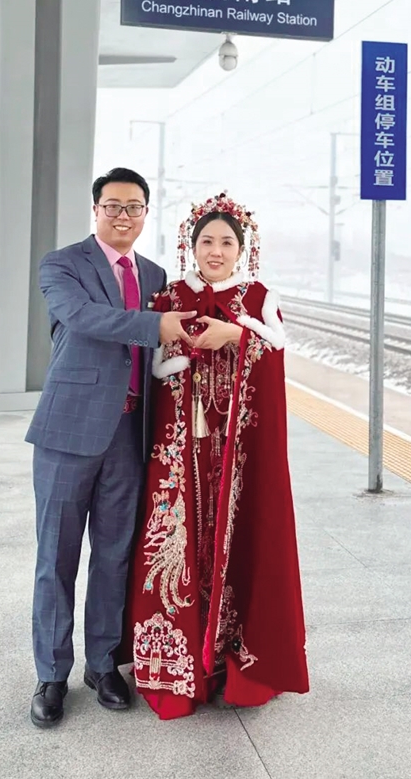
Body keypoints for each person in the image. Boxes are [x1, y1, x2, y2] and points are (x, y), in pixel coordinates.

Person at [127, 192, 309, 719]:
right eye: (206, 240)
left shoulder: (260, 300)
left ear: (242, 249)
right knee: (175, 540)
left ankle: (238, 665)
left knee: (243, 537)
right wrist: (178, 362)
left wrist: (238, 334)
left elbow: (274, 363)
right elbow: (155, 364)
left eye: (227, 242)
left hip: (238, 451)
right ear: (191, 245)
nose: (216, 251)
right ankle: (179, 667)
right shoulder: (170, 296)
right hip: (182, 448)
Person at [24, 167, 195, 728]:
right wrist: (155, 324)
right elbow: (82, 317)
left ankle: (103, 665)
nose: (124, 216)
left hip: (129, 434)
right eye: (114, 206)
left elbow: (164, 348)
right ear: (95, 210)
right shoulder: (62, 265)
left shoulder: (156, 275)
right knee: (57, 557)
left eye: (135, 207)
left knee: (116, 554)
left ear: (146, 213)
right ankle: (52, 674)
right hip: (69, 431)